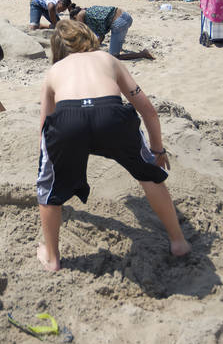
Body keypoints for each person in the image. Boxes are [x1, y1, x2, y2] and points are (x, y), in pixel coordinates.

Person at [35, 20, 190, 271]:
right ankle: (179, 242)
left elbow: (45, 125)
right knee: (149, 176)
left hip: (68, 120)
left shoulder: (54, 71)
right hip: (110, 116)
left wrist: (49, 162)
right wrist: (157, 151)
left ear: (58, 48)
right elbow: (149, 111)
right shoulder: (108, 59)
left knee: (49, 189)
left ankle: (52, 258)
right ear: (88, 37)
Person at [69, 5, 153, 60]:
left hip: (119, 23)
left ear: (74, 16)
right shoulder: (89, 12)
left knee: (114, 57)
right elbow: (102, 36)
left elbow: (83, 34)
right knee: (117, 43)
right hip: (126, 17)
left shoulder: (80, 15)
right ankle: (119, 48)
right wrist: (94, 47)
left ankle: (143, 54)